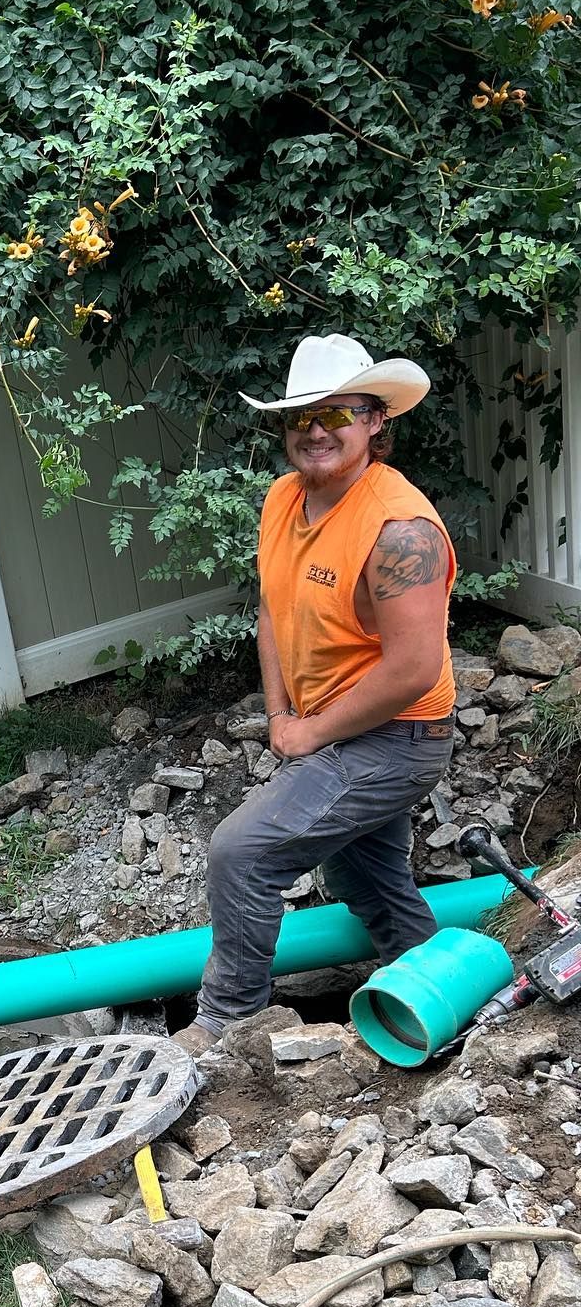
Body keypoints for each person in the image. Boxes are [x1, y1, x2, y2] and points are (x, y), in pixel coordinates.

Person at [174, 333, 457, 1054]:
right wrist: (279, 715)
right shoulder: (282, 500)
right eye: (301, 416)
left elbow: (413, 670)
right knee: (366, 882)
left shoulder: (400, 530)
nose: (316, 430)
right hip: (331, 726)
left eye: (338, 413)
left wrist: (312, 732)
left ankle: (223, 1021)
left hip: (397, 738)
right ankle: (451, 1001)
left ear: (375, 421)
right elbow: (271, 610)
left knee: (241, 852)